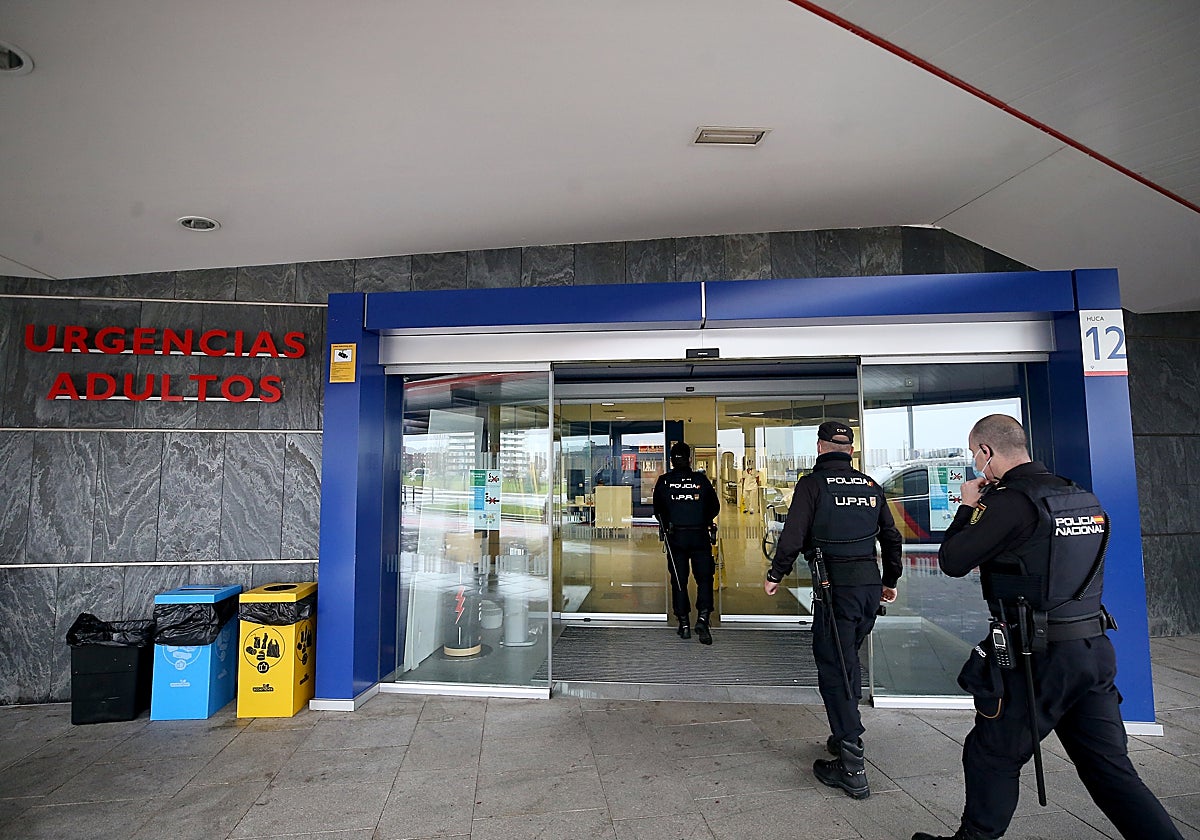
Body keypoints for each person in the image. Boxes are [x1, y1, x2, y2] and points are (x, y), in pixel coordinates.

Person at [912, 414, 1183, 840]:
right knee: (1109, 771)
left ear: (986, 452)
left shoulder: (1009, 503)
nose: (974, 463)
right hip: (1092, 650)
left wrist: (966, 506)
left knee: (991, 756)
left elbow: (953, 560)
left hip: (1037, 658)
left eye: (974, 455)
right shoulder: (1077, 496)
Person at [764, 420, 901, 800]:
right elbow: (891, 536)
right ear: (850, 451)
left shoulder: (812, 485)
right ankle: (843, 733)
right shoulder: (870, 486)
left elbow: (793, 533)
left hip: (834, 590)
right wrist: (890, 580)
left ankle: (852, 762)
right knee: (849, 659)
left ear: (821, 447)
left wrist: (777, 572)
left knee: (834, 666)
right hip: (868, 589)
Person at [653, 441, 721, 645]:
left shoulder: (664, 482)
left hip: (676, 538)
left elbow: (658, 511)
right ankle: (703, 619)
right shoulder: (700, 479)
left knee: (679, 581)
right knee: (705, 579)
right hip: (699, 535)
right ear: (689, 459)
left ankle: (683, 624)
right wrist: (702, 519)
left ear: (672, 461)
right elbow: (714, 507)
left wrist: (670, 523)